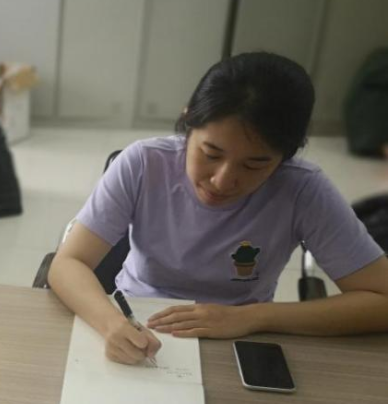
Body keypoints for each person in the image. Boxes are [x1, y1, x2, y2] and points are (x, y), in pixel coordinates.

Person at [48, 52, 388, 365]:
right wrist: (111, 324)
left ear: (286, 157)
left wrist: (253, 317)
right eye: (211, 154)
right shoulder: (144, 163)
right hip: (138, 318)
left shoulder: (303, 189)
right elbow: (68, 263)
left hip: (239, 337)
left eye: (254, 165)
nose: (222, 181)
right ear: (188, 121)